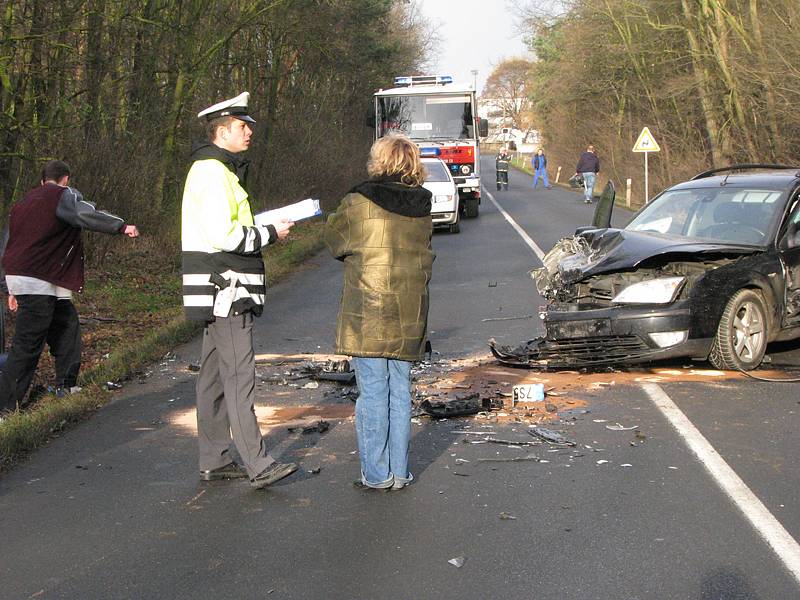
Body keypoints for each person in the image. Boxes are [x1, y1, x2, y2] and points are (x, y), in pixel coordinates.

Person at [181, 91, 297, 490]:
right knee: (239, 377)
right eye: (242, 126)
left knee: (212, 379)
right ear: (222, 130)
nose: (249, 132)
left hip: (216, 289)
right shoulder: (214, 171)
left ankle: (214, 459)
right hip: (228, 288)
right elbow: (224, 235)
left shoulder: (214, 169)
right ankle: (258, 464)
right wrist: (270, 232)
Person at [324, 133, 434, 491]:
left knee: (372, 391)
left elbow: (334, 242)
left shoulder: (358, 201)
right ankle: (400, 471)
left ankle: (376, 474)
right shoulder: (422, 207)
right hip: (408, 310)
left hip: (367, 309)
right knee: (400, 390)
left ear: (378, 161)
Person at [0, 160, 139, 413]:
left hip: (37, 279)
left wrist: (8, 286)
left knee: (67, 329)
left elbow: (8, 245)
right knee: (27, 345)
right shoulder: (63, 195)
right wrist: (120, 226)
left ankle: (66, 385)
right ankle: (6, 407)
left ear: (43, 181)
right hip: (38, 279)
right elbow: (84, 213)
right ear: (65, 179)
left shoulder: (21, 204)